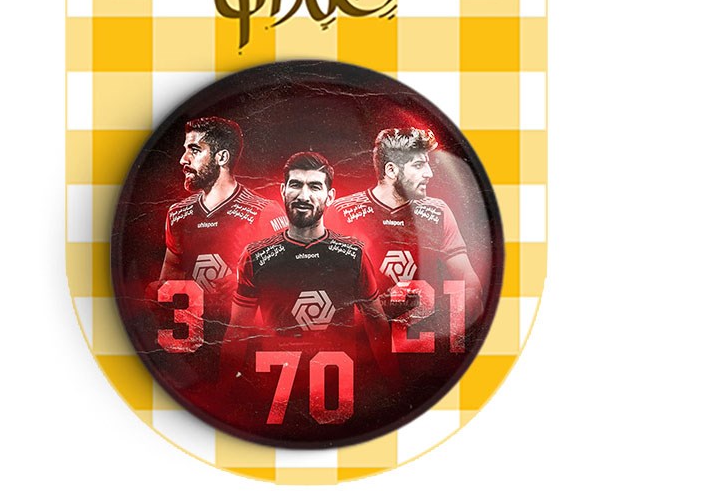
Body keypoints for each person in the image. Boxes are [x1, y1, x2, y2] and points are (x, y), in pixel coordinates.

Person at [221, 151, 396, 382]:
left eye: (314, 186)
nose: (303, 196)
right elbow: (237, 330)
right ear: (283, 191)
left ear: (330, 197)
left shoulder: (354, 254)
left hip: (339, 388)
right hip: (274, 388)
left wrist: (393, 381)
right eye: (295, 184)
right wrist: (224, 386)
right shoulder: (255, 256)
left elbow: (376, 324)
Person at [325, 127, 485, 345]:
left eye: (427, 164)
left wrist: (442, 321)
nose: (429, 173)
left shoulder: (437, 212)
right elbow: (323, 289)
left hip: (423, 349)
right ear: (391, 170)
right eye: (418, 165)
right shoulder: (342, 212)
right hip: (364, 349)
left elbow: (470, 284)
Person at [159, 116, 287, 301]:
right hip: (192, 319)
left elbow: (291, 278)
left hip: (244, 318)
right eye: (185, 150)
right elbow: (170, 277)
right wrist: (160, 294)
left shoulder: (264, 212)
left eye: (194, 150)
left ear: (222, 157)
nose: (183, 160)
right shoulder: (177, 214)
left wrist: (247, 282)